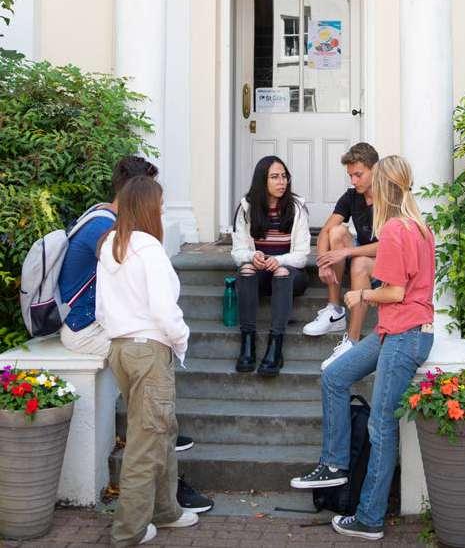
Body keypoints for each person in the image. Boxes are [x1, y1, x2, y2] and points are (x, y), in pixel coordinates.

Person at [291, 155, 435, 541]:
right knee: (335, 376)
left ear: (384, 188)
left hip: (405, 336)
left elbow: (396, 292)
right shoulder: (420, 227)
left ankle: (369, 517)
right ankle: (335, 464)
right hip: (397, 331)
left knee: (380, 425)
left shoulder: (397, 230)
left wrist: (361, 296)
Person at [58, 155, 211, 512]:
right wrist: (179, 339)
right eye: (156, 195)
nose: (161, 204)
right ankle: (137, 520)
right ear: (137, 194)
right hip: (92, 330)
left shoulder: (108, 227)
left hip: (106, 328)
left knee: (154, 423)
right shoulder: (114, 234)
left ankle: (166, 502)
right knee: (149, 429)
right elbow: (153, 303)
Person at [97, 176, 197, 546]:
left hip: (121, 349)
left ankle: (165, 510)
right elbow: (163, 309)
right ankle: (129, 531)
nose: (163, 210)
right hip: (148, 351)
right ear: (147, 207)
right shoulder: (149, 248)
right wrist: (181, 339)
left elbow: (101, 308)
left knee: (161, 431)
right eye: (160, 204)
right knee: (146, 442)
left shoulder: (110, 245)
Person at [303, 142, 379, 370]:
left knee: (359, 263)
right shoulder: (352, 196)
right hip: (361, 255)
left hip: (384, 264)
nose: (354, 181)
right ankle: (335, 310)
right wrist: (323, 262)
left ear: (374, 169)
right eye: (350, 176)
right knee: (336, 232)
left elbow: (388, 247)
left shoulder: (389, 196)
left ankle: (352, 341)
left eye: (359, 175)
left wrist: (348, 252)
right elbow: (325, 231)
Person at [232, 156, 311, 377]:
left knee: (282, 271)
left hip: (291, 276)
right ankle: (247, 343)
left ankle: (275, 344)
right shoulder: (247, 207)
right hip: (260, 275)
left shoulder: (297, 208)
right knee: (246, 269)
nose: (281, 182)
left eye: (284, 176)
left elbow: (302, 256)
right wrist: (252, 255)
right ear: (262, 180)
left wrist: (279, 260)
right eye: (275, 177)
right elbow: (237, 253)